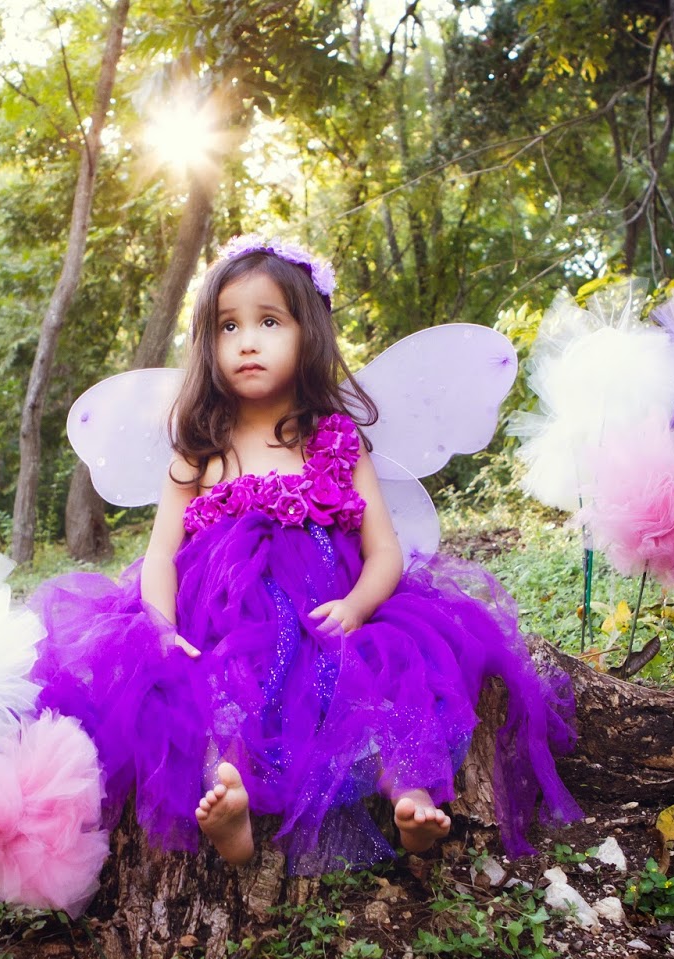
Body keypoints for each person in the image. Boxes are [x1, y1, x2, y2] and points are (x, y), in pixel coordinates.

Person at [30, 236, 582, 873]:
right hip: (223, 621)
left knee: (389, 674)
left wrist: (357, 606)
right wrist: (160, 626)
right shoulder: (199, 449)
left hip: (327, 617)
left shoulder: (336, 441)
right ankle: (229, 796)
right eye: (228, 326)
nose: (247, 342)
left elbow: (384, 551)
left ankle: (409, 793)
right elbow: (160, 556)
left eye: (269, 322)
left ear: (307, 333)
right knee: (214, 687)